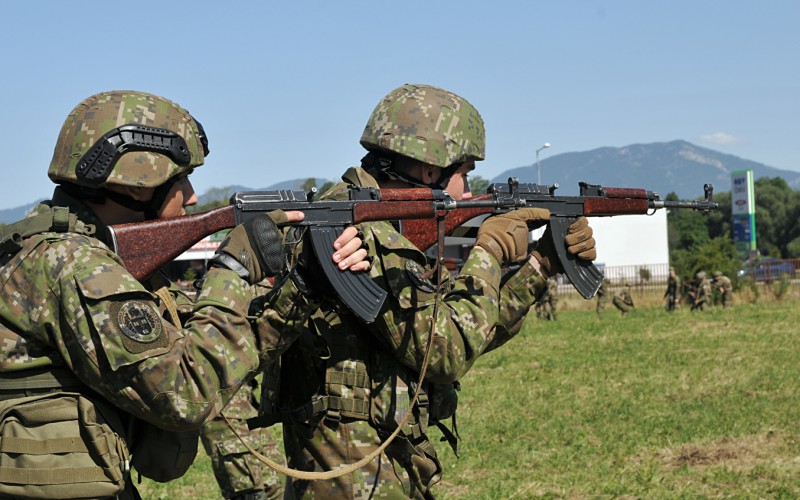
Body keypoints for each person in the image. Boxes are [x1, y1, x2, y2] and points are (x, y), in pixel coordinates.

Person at [0, 90, 368, 499]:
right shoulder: (77, 266)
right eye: (180, 179)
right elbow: (186, 393)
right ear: (139, 185)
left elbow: (215, 352)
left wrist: (304, 284)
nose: (192, 196)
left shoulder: (72, 254)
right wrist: (232, 269)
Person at [257, 84, 598, 499]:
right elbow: (446, 352)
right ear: (430, 172)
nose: (469, 193)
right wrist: (489, 250)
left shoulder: (376, 223)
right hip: (355, 483)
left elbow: (467, 330)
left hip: (382, 471)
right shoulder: (360, 230)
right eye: (465, 174)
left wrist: (542, 264)